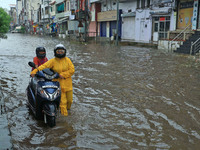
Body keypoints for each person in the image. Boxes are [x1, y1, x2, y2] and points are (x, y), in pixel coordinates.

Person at [30, 44, 75, 116]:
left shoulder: (68, 60)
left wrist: (62, 75)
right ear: (55, 52)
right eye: (58, 51)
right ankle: (64, 121)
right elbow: (44, 66)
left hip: (68, 84)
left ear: (64, 52)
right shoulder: (52, 61)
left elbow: (72, 70)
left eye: (61, 51)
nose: (60, 53)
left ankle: (68, 112)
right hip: (57, 84)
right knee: (63, 103)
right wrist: (35, 71)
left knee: (69, 101)